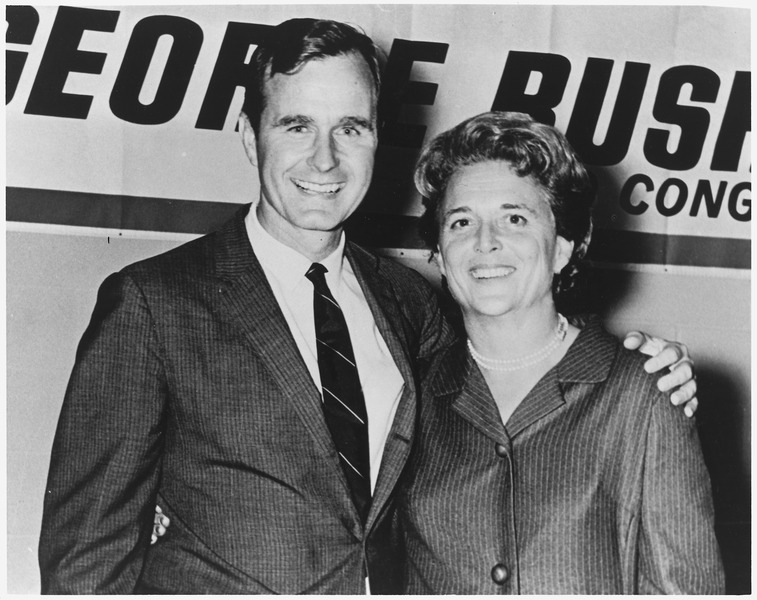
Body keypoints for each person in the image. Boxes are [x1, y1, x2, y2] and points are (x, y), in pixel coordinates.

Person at [38, 19, 697, 594]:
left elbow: (512, 377)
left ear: (379, 137)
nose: (324, 158)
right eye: (296, 124)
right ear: (249, 135)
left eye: (350, 127)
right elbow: (84, 563)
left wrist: (634, 364)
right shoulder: (154, 303)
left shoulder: (411, 303)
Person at [398, 111, 724, 594]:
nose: (485, 243)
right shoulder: (412, 397)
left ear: (563, 249)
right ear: (442, 256)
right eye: (462, 221)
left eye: (515, 218)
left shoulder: (641, 391)